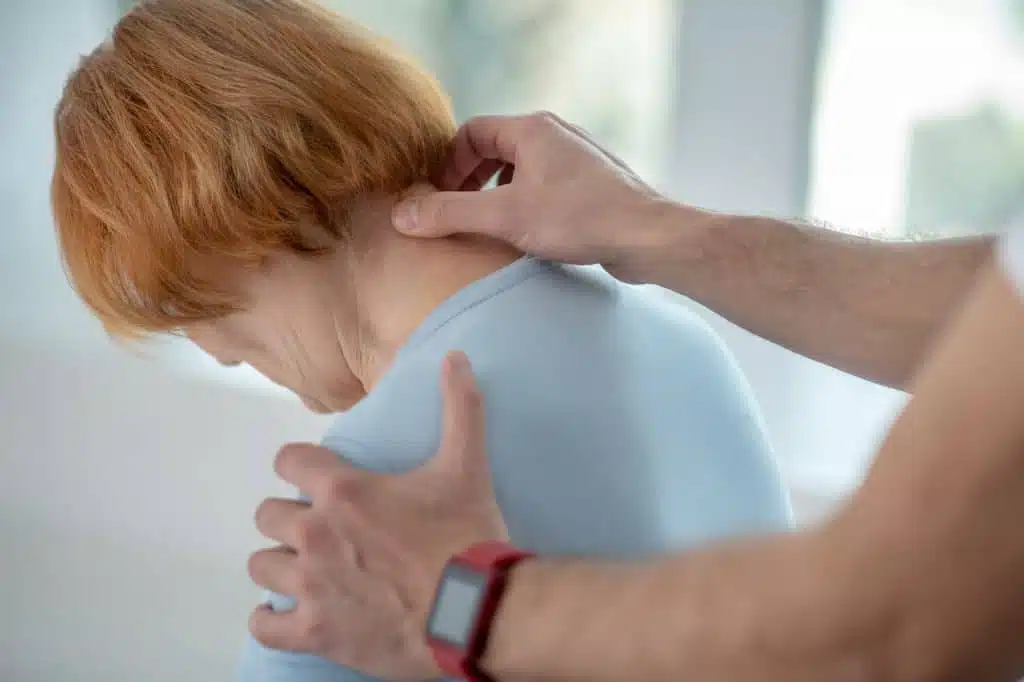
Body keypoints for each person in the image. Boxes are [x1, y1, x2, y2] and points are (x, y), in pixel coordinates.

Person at [50, 3, 793, 681]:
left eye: (184, 302)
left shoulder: (370, 499)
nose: (216, 350)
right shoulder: (682, 339)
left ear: (216, 218)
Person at [247, 111, 1024, 682]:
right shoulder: (684, 344)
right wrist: (653, 229)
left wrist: (463, 606)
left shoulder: (369, 473)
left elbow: (895, 635)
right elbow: (996, 311)